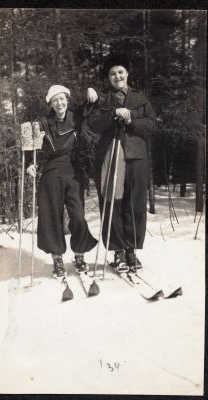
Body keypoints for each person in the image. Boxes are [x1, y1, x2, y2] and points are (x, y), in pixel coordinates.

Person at [86, 53, 156, 272]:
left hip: (136, 156)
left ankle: (131, 251)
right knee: (112, 202)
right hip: (111, 155)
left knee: (134, 203)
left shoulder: (140, 98)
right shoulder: (103, 100)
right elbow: (93, 124)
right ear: (108, 78)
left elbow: (152, 125)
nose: (117, 76)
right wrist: (112, 114)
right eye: (112, 73)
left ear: (127, 74)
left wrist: (130, 119)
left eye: (120, 72)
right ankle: (117, 251)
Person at [26, 85, 98, 278]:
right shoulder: (43, 122)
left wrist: (90, 91)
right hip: (51, 171)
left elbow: (90, 106)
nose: (60, 103)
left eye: (62, 99)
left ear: (67, 99)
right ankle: (57, 258)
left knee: (78, 215)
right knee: (51, 216)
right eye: (55, 100)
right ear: (50, 103)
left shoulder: (76, 117)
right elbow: (29, 141)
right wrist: (29, 163)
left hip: (73, 171)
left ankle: (79, 255)